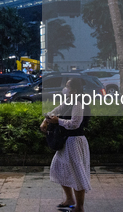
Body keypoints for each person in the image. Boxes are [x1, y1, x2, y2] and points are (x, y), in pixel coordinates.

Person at [40, 78, 91, 212]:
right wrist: (46, 120)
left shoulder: (79, 103)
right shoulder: (69, 101)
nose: (65, 88)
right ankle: (69, 199)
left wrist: (58, 121)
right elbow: (56, 110)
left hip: (75, 142)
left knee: (77, 173)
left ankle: (79, 207)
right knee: (59, 168)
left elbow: (75, 123)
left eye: (67, 86)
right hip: (67, 141)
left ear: (74, 90)